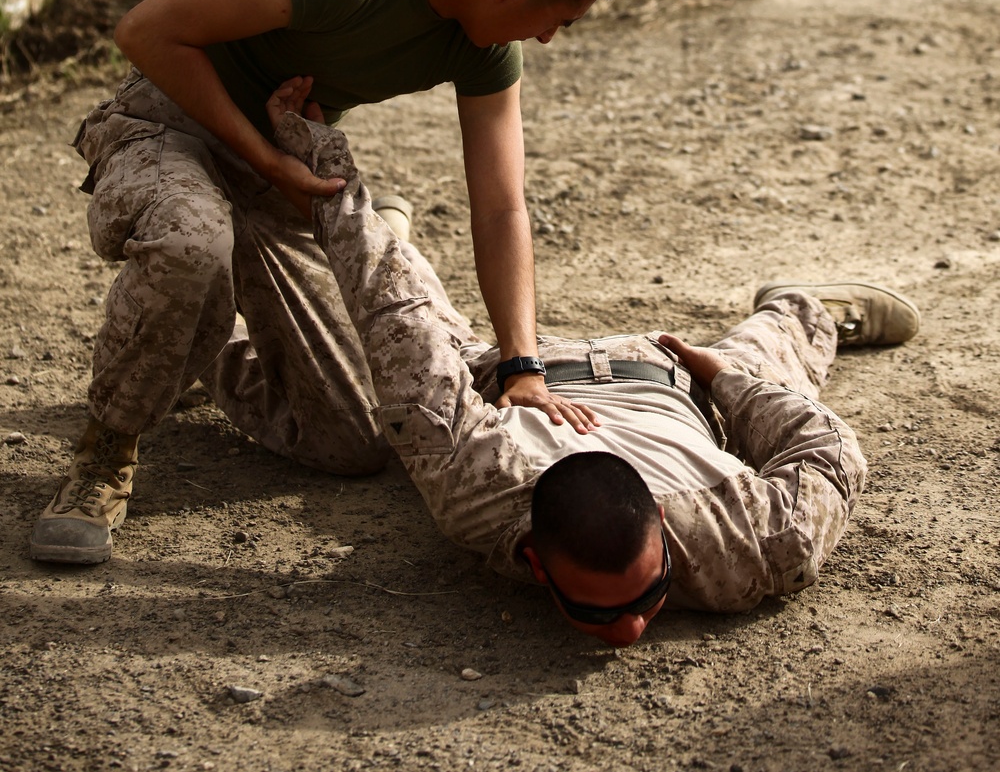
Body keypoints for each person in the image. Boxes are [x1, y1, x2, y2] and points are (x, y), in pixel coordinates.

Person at [106, 102, 918, 645]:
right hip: (531, 370)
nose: (633, 629)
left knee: (771, 355)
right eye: (607, 607)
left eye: (645, 593)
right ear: (534, 561)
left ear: (667, 536)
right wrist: (322, 161)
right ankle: (208, 339)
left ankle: (804, 307)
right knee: (366, 400)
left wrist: (724, 381)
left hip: (676, 375)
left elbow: (829, 451)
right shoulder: (491, 488)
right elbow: (397, 318)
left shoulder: (739, 540)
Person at [30, 0, 630, 566]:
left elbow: (501, 205)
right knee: (192, 242)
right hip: (166, 125)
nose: (548, 36)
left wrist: (524, 366)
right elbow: (145, 30)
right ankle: (105, 452)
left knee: (352, 437)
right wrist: (267, 157)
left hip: (279, 166)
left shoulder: (487, 45)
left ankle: (197, 340)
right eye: (557, 18)